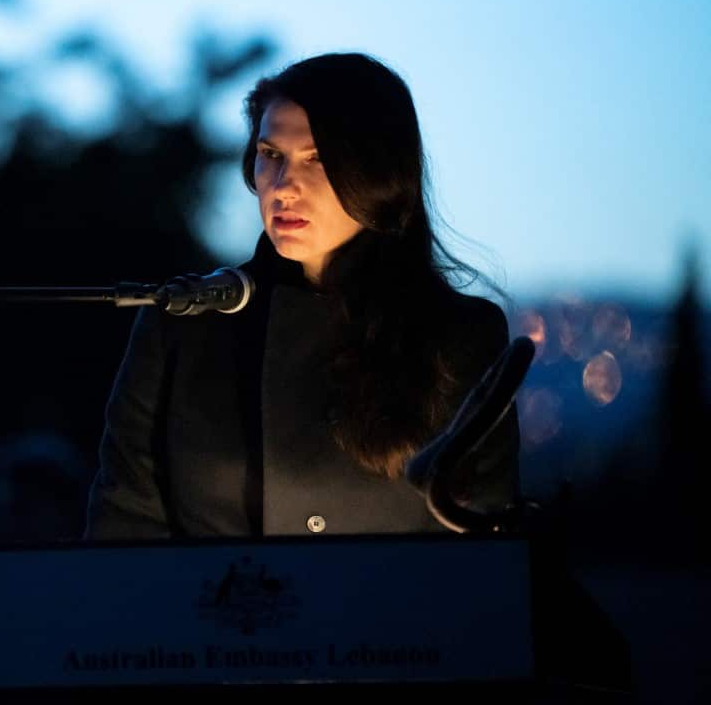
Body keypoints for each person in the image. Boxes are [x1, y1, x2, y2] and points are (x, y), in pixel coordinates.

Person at [83, 52, 520, 539]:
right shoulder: (183, 324)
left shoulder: (458, 338)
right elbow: (123, 530)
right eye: (271, 155)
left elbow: (482, 560)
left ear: (378, 173)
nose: (285, 186)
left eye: (318, 159)